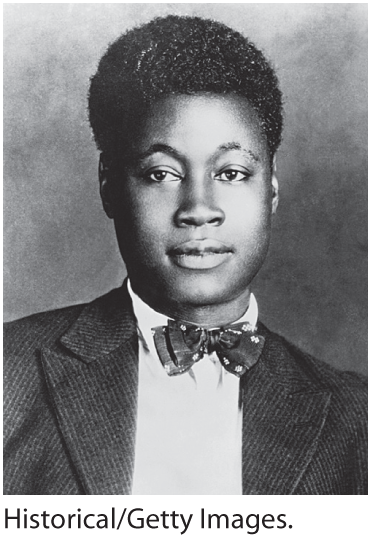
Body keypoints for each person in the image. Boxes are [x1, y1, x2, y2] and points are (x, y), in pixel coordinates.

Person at [4, 15, 367, 495]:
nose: (199, 209)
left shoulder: (356, 418)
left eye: (233, 172)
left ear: (272, 186)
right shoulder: (9, 374)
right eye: (161, 174)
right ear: (109, 184)